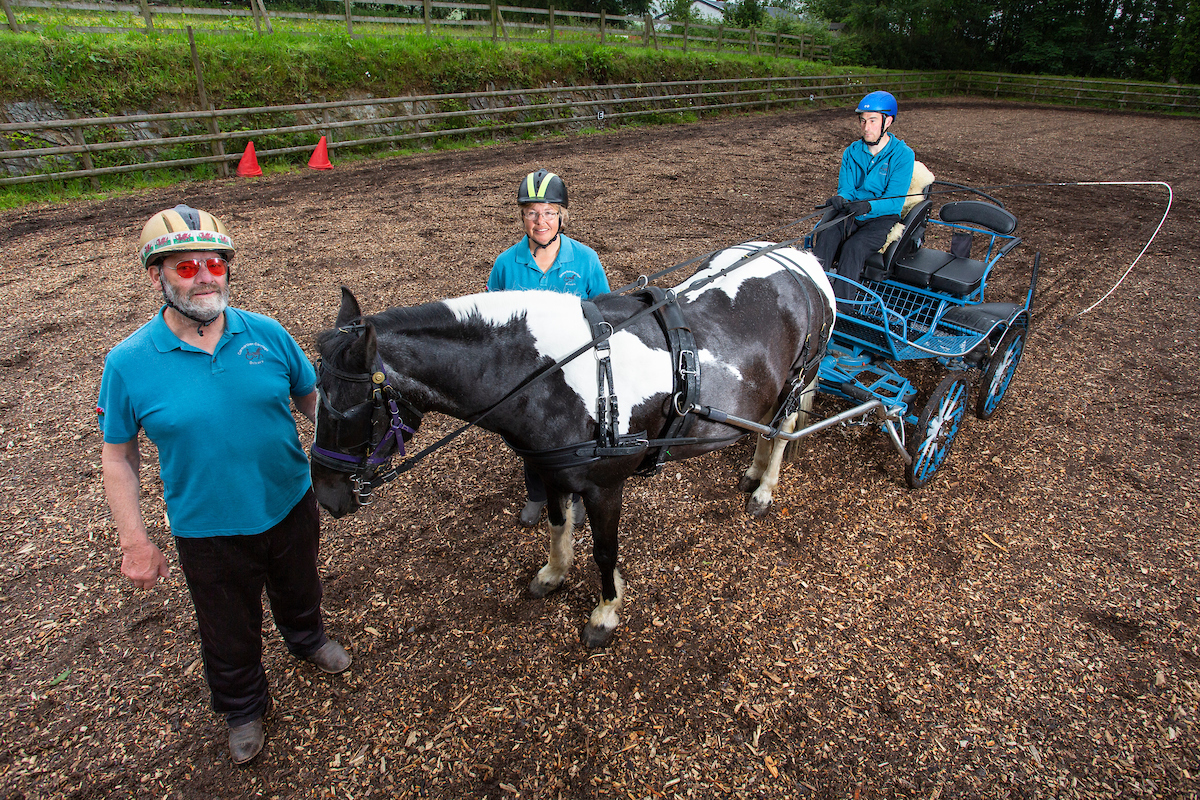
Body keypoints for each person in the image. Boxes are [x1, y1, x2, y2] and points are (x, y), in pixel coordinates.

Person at [97, 204, 350, 766]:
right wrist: (134, 542)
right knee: (227, 626)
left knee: (300, 585)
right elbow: (119, 457)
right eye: (187, 268)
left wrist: (344, 452)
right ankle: (242, 706)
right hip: (207, 526)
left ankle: (307, 639)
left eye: (214, 263)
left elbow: (312, 400)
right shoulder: (129, 363)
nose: (206, 277)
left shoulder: (267, 333)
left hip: (289, 500)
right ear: (157, 276)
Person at [487, 169, 611, 527]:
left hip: (575, 369)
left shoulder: (585, 259)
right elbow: (492, 319)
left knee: (579, 436)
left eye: (549, 212)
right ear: (522, 217)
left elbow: (605, 311)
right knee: (530, 438)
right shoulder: (506, 264)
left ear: (561, 216)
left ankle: (576, 494)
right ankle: (537, 494)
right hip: (527, 372)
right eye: (532, 213)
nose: (540, 221)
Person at [812, 90, 916, 300]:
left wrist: (869, 206)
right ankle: (814, 295)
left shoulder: (903, 155)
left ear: (887, 121)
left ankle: (843, 304)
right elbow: (847, 189)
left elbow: (894, 201)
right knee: (826, 235)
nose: (866, 127)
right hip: (852, 211)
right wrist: (842, 198)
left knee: (855, 247)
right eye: (863, 120)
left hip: (881, 217)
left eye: (873, 121)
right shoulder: (852, 152)